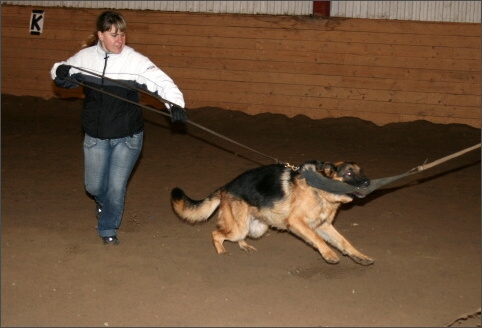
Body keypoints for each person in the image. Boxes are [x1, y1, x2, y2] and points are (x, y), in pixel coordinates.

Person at [50, 10, 187, 245]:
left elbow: (161, 82)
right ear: (100, 35)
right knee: (93, 186)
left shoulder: (133, 61)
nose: (119, 40)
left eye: (122, 34)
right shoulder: (85, 58)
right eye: (113, 35)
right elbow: (63, 73)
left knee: (115, 187)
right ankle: (104, 205)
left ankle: (107, 229)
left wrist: (175, 104)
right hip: (95, 136)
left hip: (127, 136)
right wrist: (59, 71)